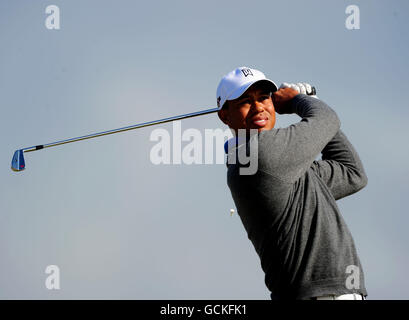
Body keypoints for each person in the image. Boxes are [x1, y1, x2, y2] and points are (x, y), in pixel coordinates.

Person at [216, 66, 368, 300]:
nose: (259, 107)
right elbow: (327, 119)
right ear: (225, 115)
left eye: (264, 98)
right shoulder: (259, 154)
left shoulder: (285, 165)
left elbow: (352, 173)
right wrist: (299, 101)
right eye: (246, 101)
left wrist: (311, 102)